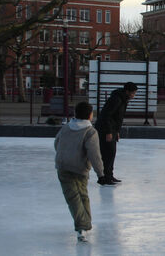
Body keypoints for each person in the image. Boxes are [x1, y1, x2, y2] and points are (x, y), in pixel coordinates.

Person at [54, 101, 107, 242]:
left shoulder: (66, 128)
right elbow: (94, 155)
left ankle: (84, 225)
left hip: (63, 166)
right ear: (90, 115)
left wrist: (64, 156)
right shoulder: (90, 132)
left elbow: (57, 143)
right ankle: (82, 227)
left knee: (74, 197)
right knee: (81, 196)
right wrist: (101, 174)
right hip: (79, 169)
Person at [94, 82, 137, 185]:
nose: (134, 95)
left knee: (111, 153)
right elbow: (106, 116)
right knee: (107, 153)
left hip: (112, 129)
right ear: (127, 92)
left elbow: (117, 118)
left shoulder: (122, 99)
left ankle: (109, 175)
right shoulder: (116, 99)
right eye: (133, 93)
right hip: (105, 129)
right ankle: (105, 177)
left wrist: (116, 131)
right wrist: (108, 132)